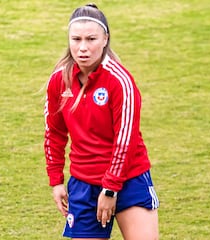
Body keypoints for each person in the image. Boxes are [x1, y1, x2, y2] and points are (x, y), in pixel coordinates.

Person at [43, 3, 159, 240]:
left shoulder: (120, 81)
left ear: (105, 39)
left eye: (91, 39)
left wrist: (110, 188)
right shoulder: (59, 81)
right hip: (84, 185)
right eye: (76, 39)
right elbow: (54, 133)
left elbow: (124, 141)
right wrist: (56, 181)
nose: (83, 47)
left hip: (128, 180)